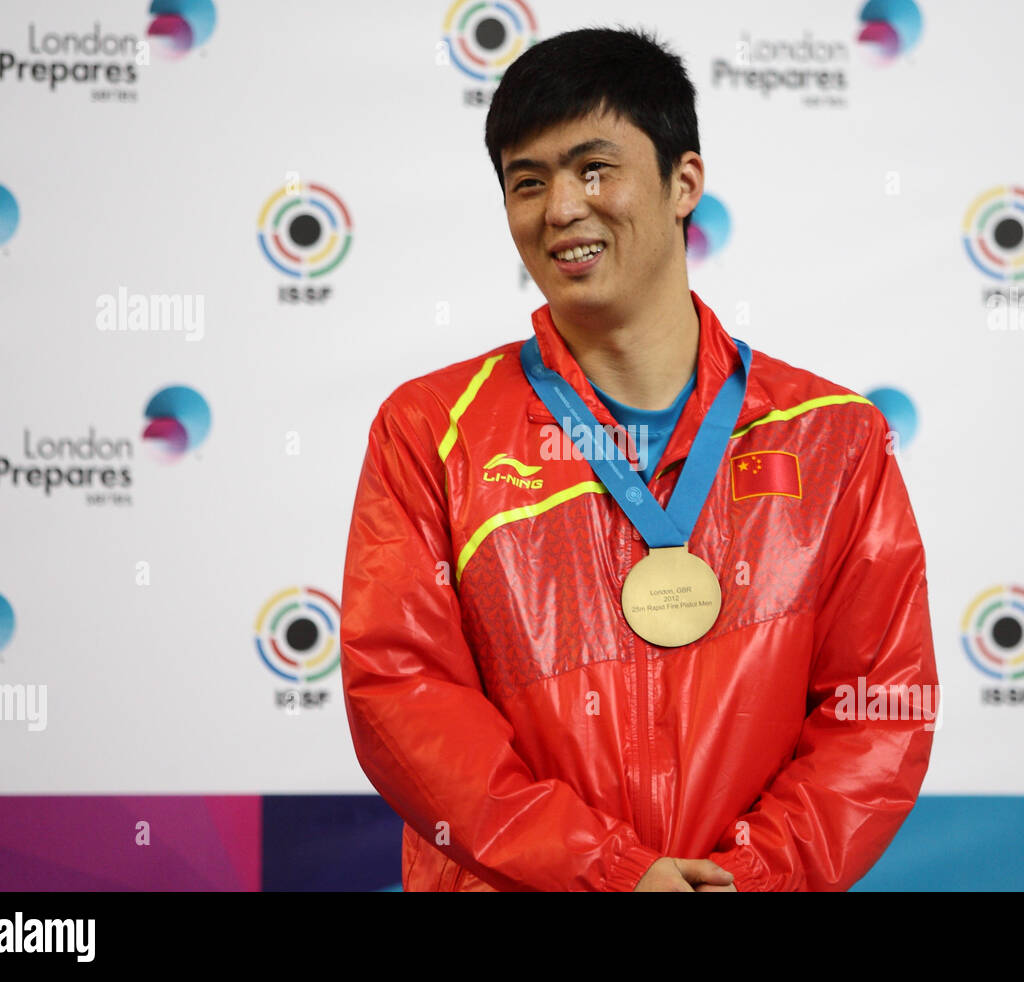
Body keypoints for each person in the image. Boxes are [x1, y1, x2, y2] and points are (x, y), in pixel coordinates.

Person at [339, 26, 938, 892]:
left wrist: (754, 877)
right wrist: (610, 873)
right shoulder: (431, 431)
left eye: (594, 169)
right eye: (527, 182)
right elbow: (402, 694)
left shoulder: (832, 437)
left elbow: (877, 710)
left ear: (684, 182)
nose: (560, 210)